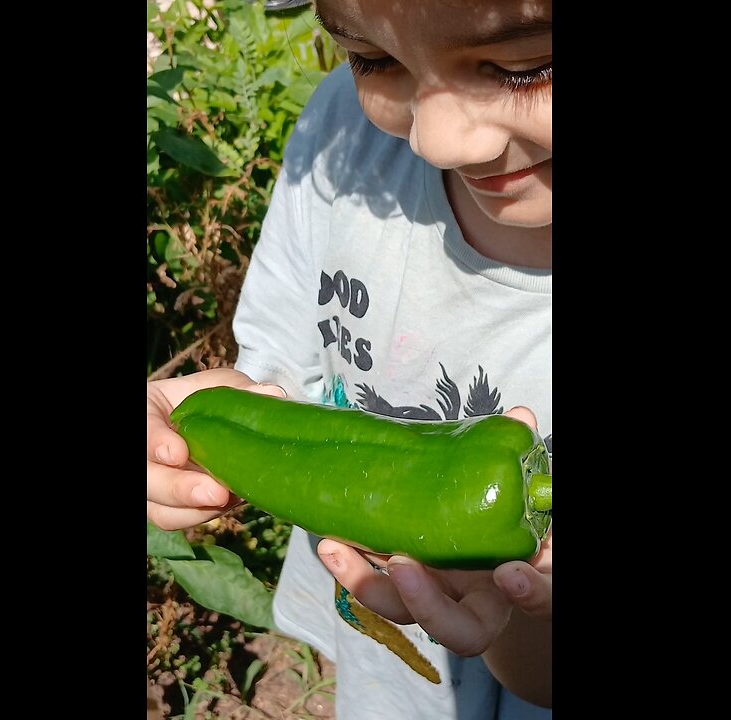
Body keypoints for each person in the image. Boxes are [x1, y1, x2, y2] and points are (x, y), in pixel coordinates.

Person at [147, 1, 552, 716]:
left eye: (525, 67)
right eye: (375, 60)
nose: (438, 139)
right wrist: (211, 421)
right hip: (381, 669)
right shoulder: (344, 135)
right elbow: (280, 373)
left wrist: (524, 604)